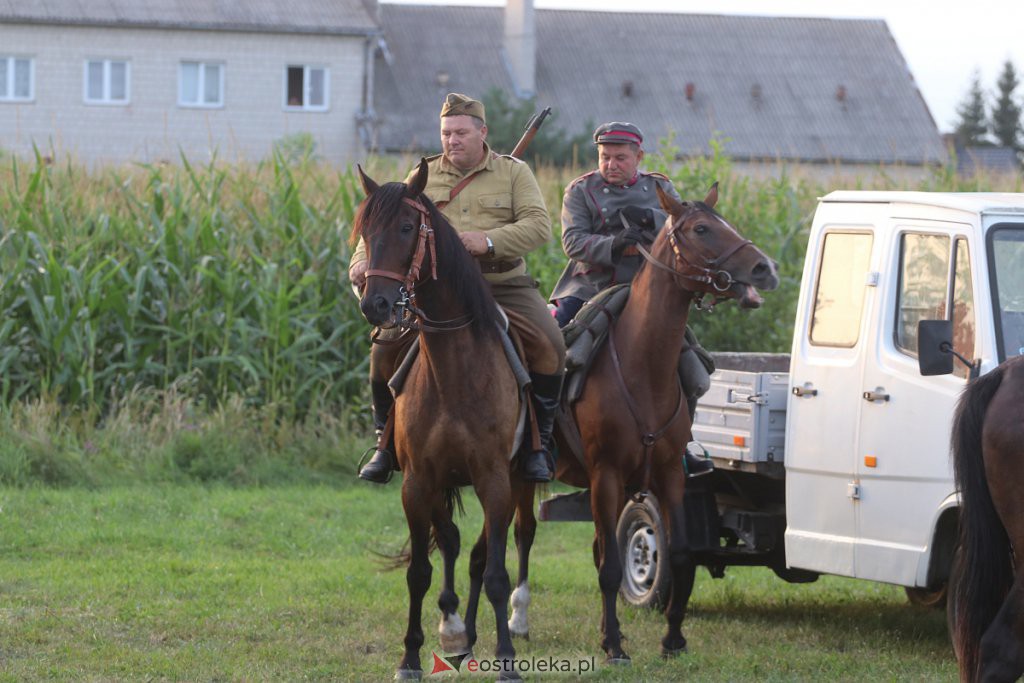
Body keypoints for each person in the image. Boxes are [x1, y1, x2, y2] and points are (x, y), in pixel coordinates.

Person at [349, 93, 565, 484]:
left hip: (501, 283)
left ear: (482, 132)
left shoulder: (514, 173)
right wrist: (360, 262)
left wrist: (488, 241)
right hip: (437, 295)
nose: (452, 140)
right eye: (447, 133)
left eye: (461, 133)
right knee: (382, 349)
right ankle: (384, 443)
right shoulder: (421, 178)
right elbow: (381, 228)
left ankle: (539, 445)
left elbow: (538, 226)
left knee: (551, 345)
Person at [549, 122, 713, 477]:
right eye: (605, 157)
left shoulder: (659, 187)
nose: (611, 164)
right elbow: (573, 242)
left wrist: (652, 219)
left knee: (695, 371)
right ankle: (542, 439)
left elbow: (680, 231)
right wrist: (614, 244)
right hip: (589, 289)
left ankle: (684, 444)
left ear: (638, 156)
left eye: (620, 158)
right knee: (550, 348)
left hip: (647, 296)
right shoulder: (580, 191)